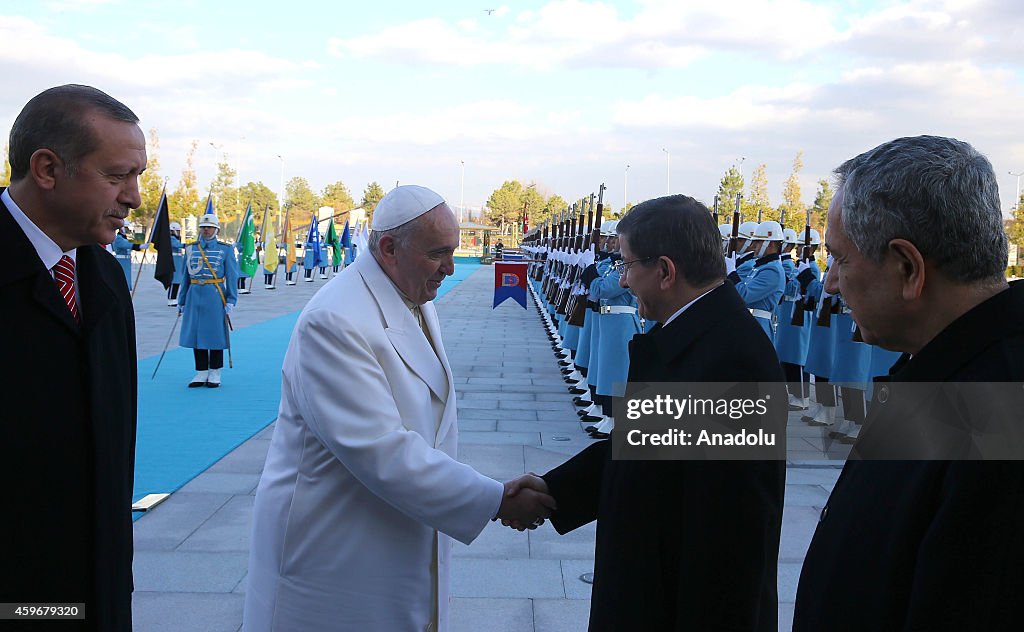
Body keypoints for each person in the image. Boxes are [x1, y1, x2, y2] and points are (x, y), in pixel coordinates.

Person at [244, 185, 555, 632]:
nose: (450, 267)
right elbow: (381, 450)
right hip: (333, 550)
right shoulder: (335, 320)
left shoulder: (409, 295)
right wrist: (496, 498)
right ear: (389, 248)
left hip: (390, 530)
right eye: (437, 254)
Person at [509, 195, 786, 630]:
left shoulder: (731, 359)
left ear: (664, 271)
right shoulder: (701, 336)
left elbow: (732, 542)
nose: (623, 278)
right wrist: (553, 488)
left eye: (627, 265)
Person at [794, 136, 1024, 630]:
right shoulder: (954, 368)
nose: (831, 282)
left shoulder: (998, 411)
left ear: (908, 268)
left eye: (840, 258)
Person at [0, 84, 144, 631]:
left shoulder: (103, 276)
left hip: (97, 586)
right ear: (46, 168)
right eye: (116, 177)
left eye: (137, 177)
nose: (132, 197)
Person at [178, 213, 238, 388]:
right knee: (196, 334)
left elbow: (232, 276)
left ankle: (215, 371)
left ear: (217, 229)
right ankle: (201, 371)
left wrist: (231, 300)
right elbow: (185, 277)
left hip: (215, 295)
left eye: (210, 227)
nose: (206, 230)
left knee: (215, 334)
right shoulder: (190, 249)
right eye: (203, 227)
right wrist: (181, 300)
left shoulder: (225, 250)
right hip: (194, 295)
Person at [112, 223, 142, 288]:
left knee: (126, 279)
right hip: (121, 262)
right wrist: (139, 246)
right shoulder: (118, 238)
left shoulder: (125, 238)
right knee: (123, 280)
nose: (127, 229)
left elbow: (132, 242)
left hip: (126, 261)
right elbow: (126, 244)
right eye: (125, 227)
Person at [168, 220, 185, 306]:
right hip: (174, 263)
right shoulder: (171, 238)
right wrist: (187, 245)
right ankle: (171, 299)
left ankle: (174, 299)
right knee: (174, 281)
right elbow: (177, 245)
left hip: (178, 263)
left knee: (177, 281)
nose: (178, 232)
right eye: (177, 231)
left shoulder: (176, 238)